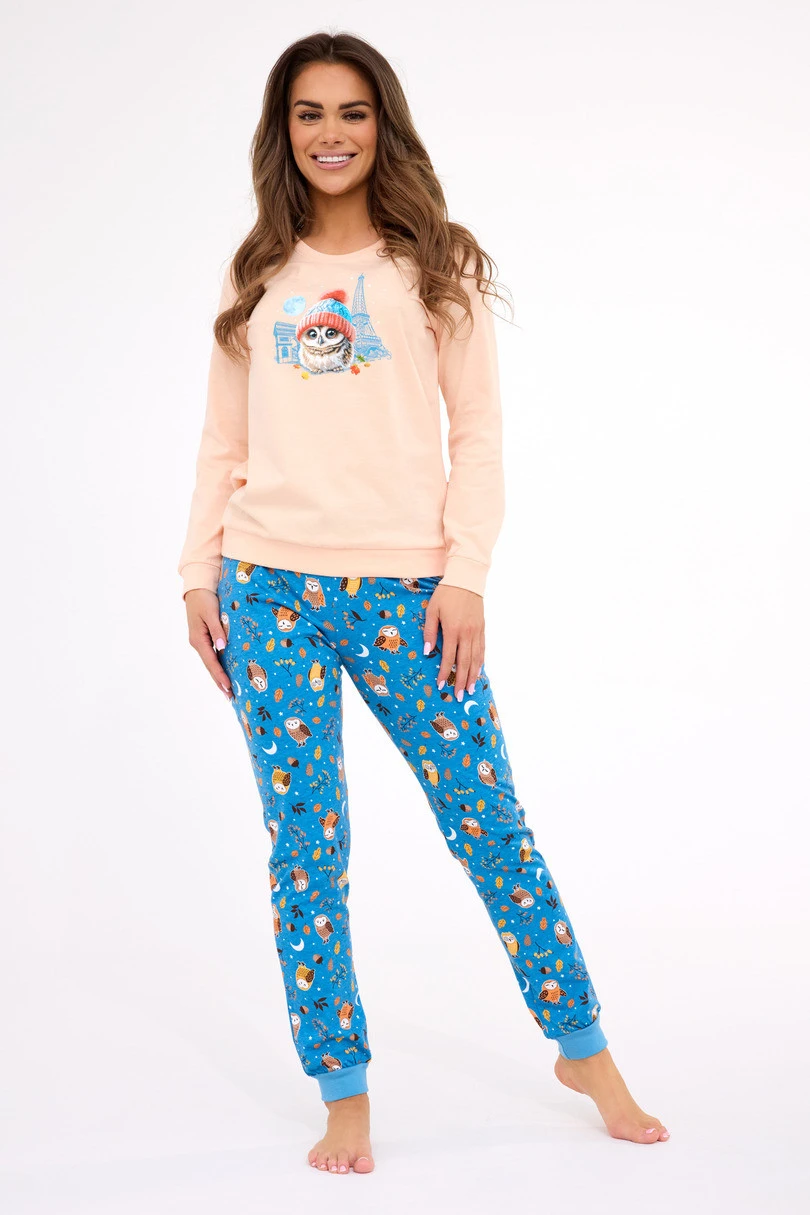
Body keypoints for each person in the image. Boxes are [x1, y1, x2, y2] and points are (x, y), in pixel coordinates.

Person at [177, 30, 669, 1175]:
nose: (331, 133)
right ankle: (342, 1088)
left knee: (488, 823)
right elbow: (221, 443)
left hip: (409, 594)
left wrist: (465, 575)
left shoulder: (434, 265)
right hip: (268, 589)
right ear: (283, 132)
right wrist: (197, 573)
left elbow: (480, 433)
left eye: (351, 112)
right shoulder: (257, 275)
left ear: (382, 125)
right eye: (309, 113)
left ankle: (583, 1048)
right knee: (307, 847)